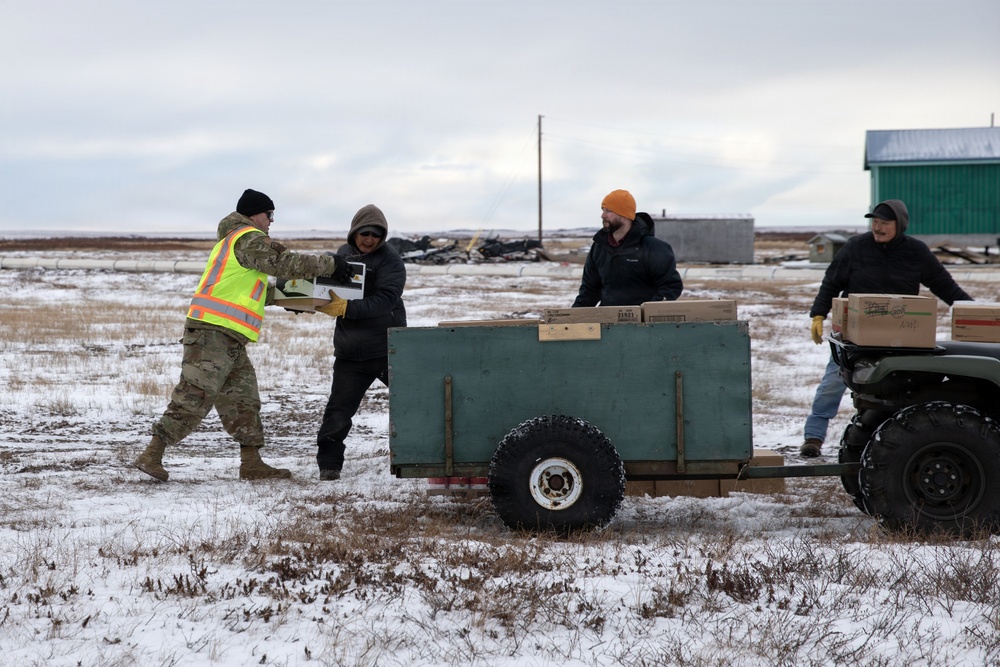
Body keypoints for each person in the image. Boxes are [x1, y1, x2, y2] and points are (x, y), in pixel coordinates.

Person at [134, 188, 353, 481]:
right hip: (212, 334)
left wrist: (294, 301)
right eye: (269, 214)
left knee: (244, 400)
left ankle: (251, 463)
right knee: (194, 396)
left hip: (231, 337)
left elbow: (249, 291)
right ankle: (152, 454)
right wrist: (332, 264)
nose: (271, 221)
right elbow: (285, 263)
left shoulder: (234, 242)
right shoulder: (247, 238)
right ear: (254, 214)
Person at [801, 199, 972, 457]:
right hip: (854, 337)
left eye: (884, 223)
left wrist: (973, 312)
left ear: (899, 225)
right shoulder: (855, 248)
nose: (877, 228)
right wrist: (818, 314)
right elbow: (831, 282)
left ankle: (896, 441)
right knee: (831, 384)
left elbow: (945, 286)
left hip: (900, 337)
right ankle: (813, 437)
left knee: (896, 391)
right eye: (875, 222)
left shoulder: (916, 252)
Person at [314, 204, 407, 480]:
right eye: (364, 233)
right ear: (354, 232)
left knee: (413, 404)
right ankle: (329, 465)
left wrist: (346, 310)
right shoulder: (342, 255)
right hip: (350, 353)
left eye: (375, 235)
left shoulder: (391, 261)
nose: (369, 239)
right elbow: (326, 290)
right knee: (338, 411)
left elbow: (385, 300)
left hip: (386, 349)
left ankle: (424, 456)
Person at [572, 189, 683, 307]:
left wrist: (649, 312)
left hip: (644, 323)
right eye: (603, 210)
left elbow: (671, 286)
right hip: (608, 320)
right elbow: (590, 289)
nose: (603, 215)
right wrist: (573, 318)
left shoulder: (653, 248)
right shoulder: (599, 247)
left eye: (609, 211)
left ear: (624, 215)